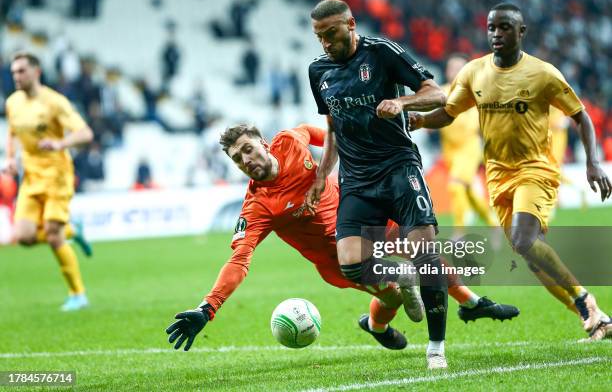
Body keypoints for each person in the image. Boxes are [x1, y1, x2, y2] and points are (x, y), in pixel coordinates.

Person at [165, 124, 518, 353]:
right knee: (395, 295)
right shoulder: (258, 207)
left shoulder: (290, 141)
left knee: (428, 258)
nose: (245, 159)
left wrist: (351, 147)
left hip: (365, 220)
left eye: (247, 149)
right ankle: (377, 324)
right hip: (342, 260)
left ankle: (473, 304)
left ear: (262, 142)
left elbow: (321, 134)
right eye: (237, 158)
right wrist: (207, 308)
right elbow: (239, 261)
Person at [409, 3, 612, 341]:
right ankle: (596, 318)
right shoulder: (474, 72)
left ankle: (583, 299)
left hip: (535, 168)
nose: (496, 34)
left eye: (504, 28)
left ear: (521, 32)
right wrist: (420, 120)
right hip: (497, 175)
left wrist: (592, 161)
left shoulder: (542, 73)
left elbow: (581, 115)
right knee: (531, 256)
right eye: (491, 28)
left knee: (524, 240)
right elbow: (448, 112)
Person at [305, 0, 449, 369]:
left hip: (399, 169)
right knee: (350, 263)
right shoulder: (317, 71)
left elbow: (438, 94)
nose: (325, 43)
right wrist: (323, 173)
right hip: (356, 179)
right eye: (319, 36)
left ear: (350, 24)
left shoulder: (382, 52)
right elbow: (334, 126)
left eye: (331, 33)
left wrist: (402, 102)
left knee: (427, 258)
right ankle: (400, 275)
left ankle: (436, 348)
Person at [4, 52, 94, 311]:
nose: (16, 77)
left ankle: (78, 294)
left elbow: (85, 133)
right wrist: (12, 160)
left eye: (21, 71)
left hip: (57, 175)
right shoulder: (13, 103)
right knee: (23, 237)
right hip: (31, 177)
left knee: (53, 236)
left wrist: (60, 143)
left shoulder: (55, 102)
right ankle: (73, 230)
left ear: (36, 71)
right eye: (13, 72)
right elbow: (13, 133)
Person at [439, 54, 497, 232]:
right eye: (452, 68)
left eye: (459, 68)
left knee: (456, 185)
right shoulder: (440, 91)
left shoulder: (477, 92)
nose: (455, 71)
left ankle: (459, 232)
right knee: (469, 191)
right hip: (449, 149)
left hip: (469, 147)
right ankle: (494, 225)